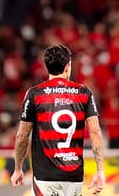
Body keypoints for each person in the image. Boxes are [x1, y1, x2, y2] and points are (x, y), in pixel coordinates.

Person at [11, 45, 105, 196]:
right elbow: (95, 132)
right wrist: (100, 170)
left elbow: (22, 136)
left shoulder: (34, 94)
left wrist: (18, 168)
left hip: (45, 176)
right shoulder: (84, 93)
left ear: (47, 67)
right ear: (68, 67)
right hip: (73, 176)